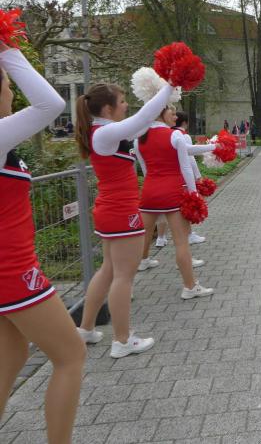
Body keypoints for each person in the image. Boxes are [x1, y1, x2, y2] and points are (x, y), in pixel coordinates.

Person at [0, 43, 86, 443]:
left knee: (11, 357)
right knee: (71, 356)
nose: (11, 91)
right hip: (12, 272)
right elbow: (51, 104)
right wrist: (8, 50)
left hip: (9, 270)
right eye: (6, 83)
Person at [75, 78, 177, 359]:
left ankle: (85, 329)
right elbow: (142, 118)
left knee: (108, 270)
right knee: (123, 277)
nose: (126, 105)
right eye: (122, 101)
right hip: (121, 212)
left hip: (111, 210)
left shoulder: (104, 131)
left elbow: (143, 122)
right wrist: (169, 86)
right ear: (107, 109)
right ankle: (122, 340)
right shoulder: (104, 133)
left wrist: (161, 92)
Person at [135, 106, 216, 299]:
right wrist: (194, 194)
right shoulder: (175, 135)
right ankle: (190, 287)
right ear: (160, 113)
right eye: (171, 112)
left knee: (141, 238)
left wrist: (214, 146)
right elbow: (186, 168)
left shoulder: (139, 138)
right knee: (181, 242)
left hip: (149, 193)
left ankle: (126, 285)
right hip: (172, 193)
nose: (175, 115)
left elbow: (145, 169)